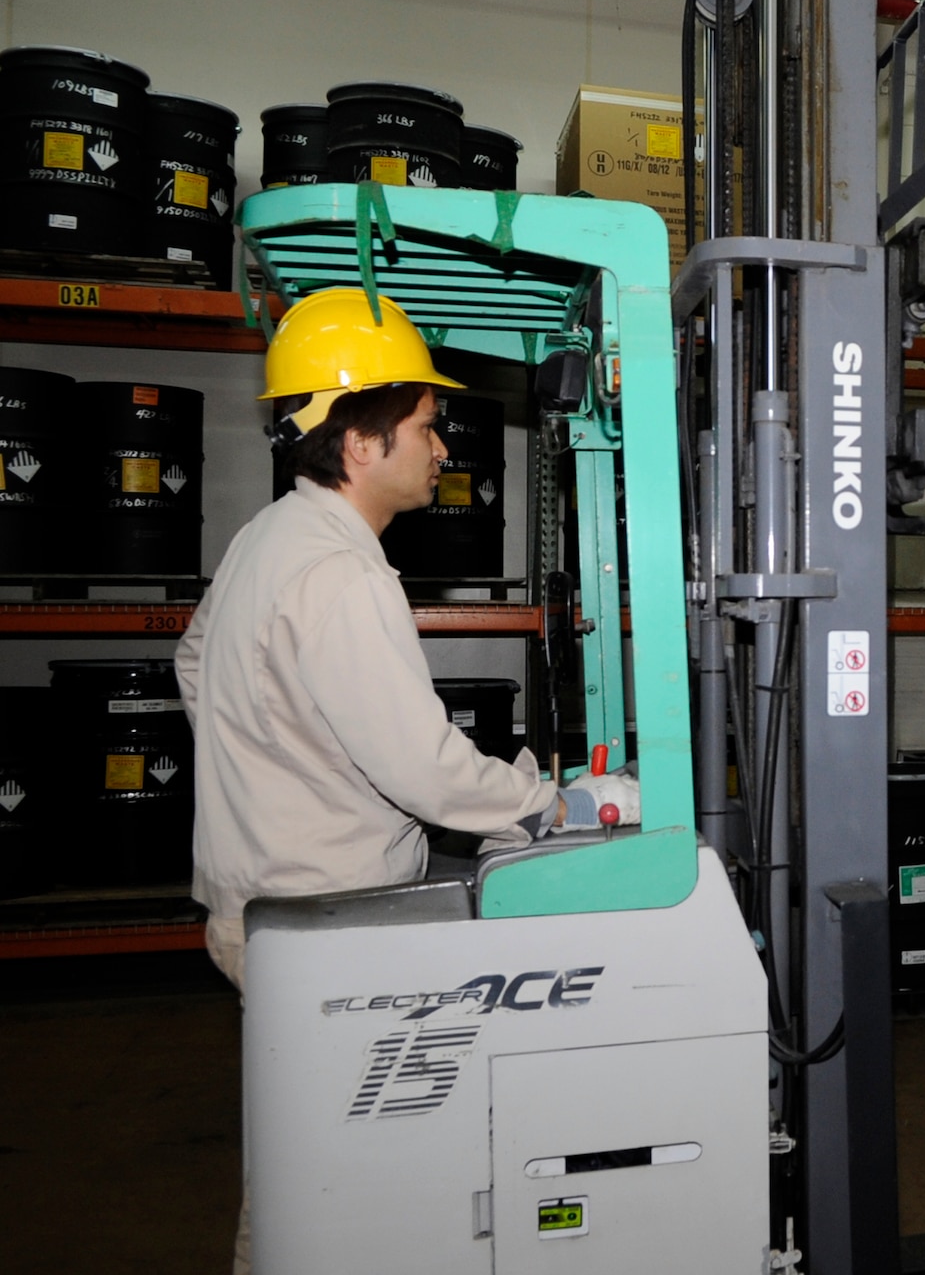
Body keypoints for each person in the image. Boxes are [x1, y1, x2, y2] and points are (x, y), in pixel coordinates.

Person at [173, 287, 632, 1273]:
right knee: (335, 1182)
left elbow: (195, 664)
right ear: (358, 444)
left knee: (307, 1160)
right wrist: (544, 804)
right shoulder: (344, 573)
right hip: (323, 918)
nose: (442, 449)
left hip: (266, 897)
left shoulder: (269, 538)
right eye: (425, 427)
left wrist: (276, 757)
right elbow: (420, 766)